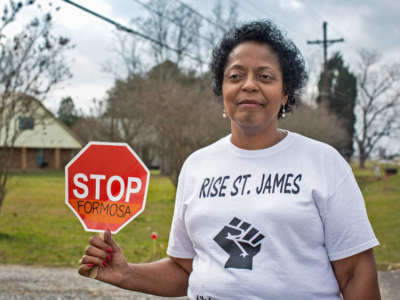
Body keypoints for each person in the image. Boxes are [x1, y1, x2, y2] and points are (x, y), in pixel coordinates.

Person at [79, 20, 381, 299]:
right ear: (222, 90)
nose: (249, 85)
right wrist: (127, 273)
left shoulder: (323, 162)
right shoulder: (196, 166)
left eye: (265, 76)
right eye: (235, 76)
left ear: (286, 92)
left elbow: (356, 273)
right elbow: (185, 270)